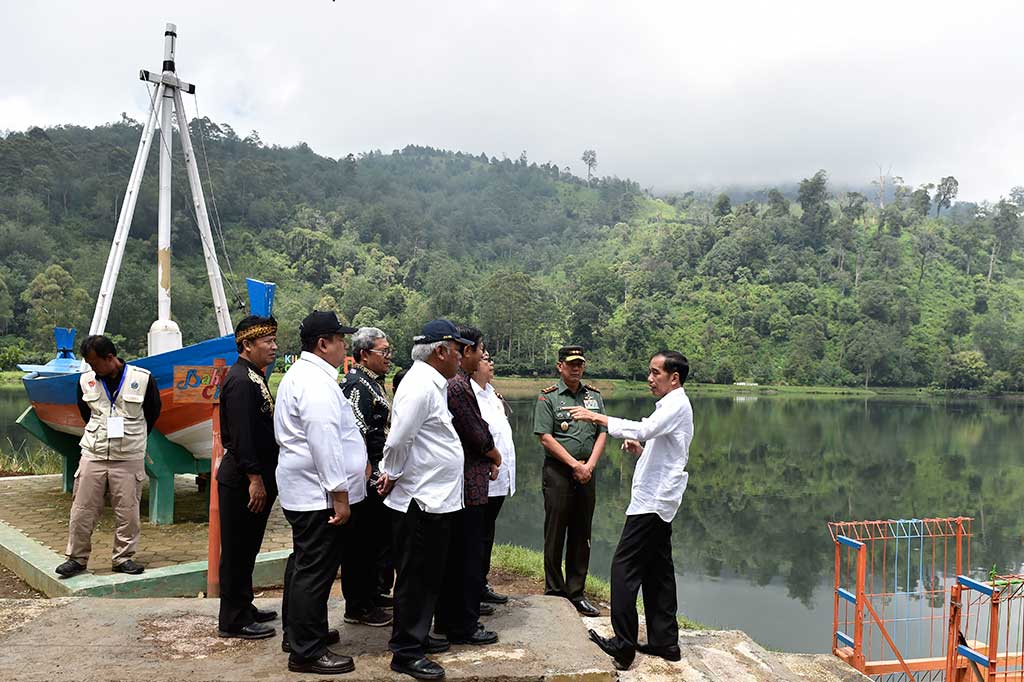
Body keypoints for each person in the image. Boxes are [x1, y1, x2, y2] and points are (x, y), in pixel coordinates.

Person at [568, 351, 693, 671]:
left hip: (652, 503)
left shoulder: (676, 404)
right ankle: (666, 643)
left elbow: (644, 429)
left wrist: (598, 418)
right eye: (649, 372)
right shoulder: (672, 405)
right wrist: (641, 450)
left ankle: (623, 645)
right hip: (659, 499)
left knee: (623, 569)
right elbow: (662, 448)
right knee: (658, 571)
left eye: (655, 373)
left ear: (674, 378)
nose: (649, 379)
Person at [376, 320, 472, 681]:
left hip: (435, 498)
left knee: (428, 574)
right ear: (440, 351)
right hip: (421, 500)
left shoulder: (433, 383)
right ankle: (406, 651)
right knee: (416, 576)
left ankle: (416, 635)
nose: (462, 356)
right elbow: (399, 440)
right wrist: (393, 473)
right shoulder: (420, 386)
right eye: (457, 349)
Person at [274, 311, 364, 675]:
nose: (345, 346)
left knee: (304, 565)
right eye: (341, 339)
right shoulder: (315, 381)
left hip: (307, 488)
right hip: (318, 493)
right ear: (323, 344)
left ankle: (299, 634)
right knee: (315, 570)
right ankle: (307, 651)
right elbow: (323, 440)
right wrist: (339, 494)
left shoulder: (306, 374)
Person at [55, 335, 161, 579]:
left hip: (129, 456)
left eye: (94, 363)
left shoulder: (142, 379)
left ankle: (123, 558)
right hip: (94, 453)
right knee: (82, 509)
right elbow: (86, 413)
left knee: (128, 510)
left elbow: (153, 412)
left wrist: (133, 439)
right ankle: (76, 559)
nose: (92, 368)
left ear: (110, 358)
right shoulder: (85, 381)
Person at [435, 325, 501, 645]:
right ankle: (464, 624)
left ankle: (450, 620)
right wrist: (495, 454)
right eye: (480, 349)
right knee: (467, 557)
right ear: (466, 352)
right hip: (469, 486)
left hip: (461, 485)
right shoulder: (459, 387)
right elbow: (477, 433)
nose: (482, 356)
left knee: (457, 556)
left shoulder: (454, 384)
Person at [216, 315, 281, 640]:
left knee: (248, 547)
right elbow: (241, 437)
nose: (273, 346)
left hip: (255, 477)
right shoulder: (241, 381)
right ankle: (233, 619)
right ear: (247, 345)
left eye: (273, 340)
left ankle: (244, 604)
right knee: (237, 548)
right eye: (266, 341)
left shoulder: (253, 376)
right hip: (242, 479)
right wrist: (255, 478)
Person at [533, 345, 606, 617]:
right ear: (560, 366)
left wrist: (590, 465)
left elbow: (601, 432)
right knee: (555, 532)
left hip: (588, 472)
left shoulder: (594, 396)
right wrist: (574, 464)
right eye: (571, 364)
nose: (576, 368)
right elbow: (545, 436)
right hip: (559, 473)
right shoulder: (548, 398)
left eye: (580, 364)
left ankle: (576, 591)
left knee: (581, 532)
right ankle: (554, 590)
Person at [339, 326, 395, 624]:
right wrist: (368, 467)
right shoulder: (356, 385)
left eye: (389, 351)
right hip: (366, 475)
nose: (388, 357)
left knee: (374, 539)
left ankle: (372, 593)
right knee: (359, 542)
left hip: (378, 472)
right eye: (382, 352)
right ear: (363, 354)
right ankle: (357, 605)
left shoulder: (374, 382)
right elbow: (356, 431)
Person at [471, 351, 515, 606]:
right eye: (486, 359)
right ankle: (472, 588)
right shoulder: (469, 395)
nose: (491, 363)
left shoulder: (492, 394)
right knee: (477, 535)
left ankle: (481, 583)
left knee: (487, 533)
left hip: (499, 478)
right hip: (483, 477)